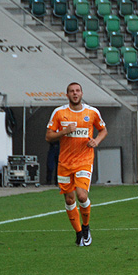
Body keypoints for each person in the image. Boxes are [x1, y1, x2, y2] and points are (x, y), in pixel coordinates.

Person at [45, 82, 108, 246]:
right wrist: (64, 131)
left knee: (82, 196)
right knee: (69, 199)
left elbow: (103, 130)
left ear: (81, 93)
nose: (75, 93)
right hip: (65, 163)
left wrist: (96, 141)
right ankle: (79, 233)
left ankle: (86, 227)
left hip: (84, 161)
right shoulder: (59, 113)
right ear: (67, 95)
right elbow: (48, 136)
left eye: (77, 91)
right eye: (72, 91)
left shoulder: (92, 112)